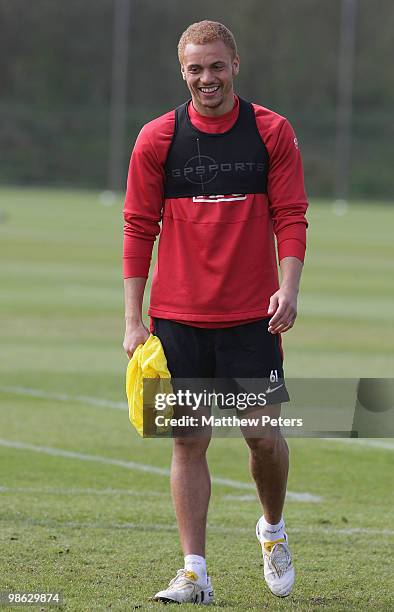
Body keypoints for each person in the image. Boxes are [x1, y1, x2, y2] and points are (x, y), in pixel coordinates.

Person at [122, 20, 308, 604]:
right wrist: (133, 318)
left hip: (253, 316)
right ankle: (195, 571)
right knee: (188, 442)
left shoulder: (271, 131)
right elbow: (137, 228)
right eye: (196, 68)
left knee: (262, 438)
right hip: (176, 318)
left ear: (235, 65)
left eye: (217, 65)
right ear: (183, 71)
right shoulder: (157, 138)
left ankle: (272, 530)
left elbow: (292, 216)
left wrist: (289, 289)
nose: (208, 77)